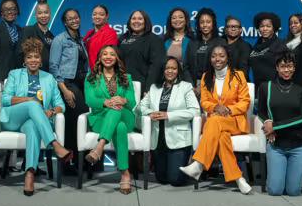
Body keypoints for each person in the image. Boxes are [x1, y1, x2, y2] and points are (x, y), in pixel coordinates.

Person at [0, 38, 73, 196]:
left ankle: (30, 174)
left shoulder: (49, 78)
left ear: (41, 60)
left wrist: (52, 111)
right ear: (24, 60)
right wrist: (28, 100)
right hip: (14, 117)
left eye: (36, 57)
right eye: (29, 57)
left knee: (33, 128)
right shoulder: (15, 74)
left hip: (34, 120)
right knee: (33, 105)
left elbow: (61, 105)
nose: (33, 60)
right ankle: (55, 145)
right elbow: (5, 100)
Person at [179, 44, 252, 195]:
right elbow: (204, 101)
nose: (217, 59)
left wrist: (228, 109)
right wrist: (215, 108)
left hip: (234, 121)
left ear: (227, 58)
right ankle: (239, 179)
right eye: (214, 56)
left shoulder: (239, 75)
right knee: (222, 138)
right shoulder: (207, 76)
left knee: (212, 121)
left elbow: (245, 102)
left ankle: (198, 163)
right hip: (218, 123)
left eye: (221, 55)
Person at [83, 45, 137, 194]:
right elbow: (90, 100)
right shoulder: (91, 78)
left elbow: (133, 102)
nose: (108, 57)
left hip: (125, 115)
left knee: (117, 111)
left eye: (112, 54)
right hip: (100, 118)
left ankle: (99, 147)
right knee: (119, 127)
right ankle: (125, 173)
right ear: (99, 58)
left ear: (117, 58)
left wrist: (123, 99)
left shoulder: (127, 77)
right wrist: (105, 102)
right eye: (104, 54)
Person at [139, 57, 199, 186]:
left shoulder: (185, 87)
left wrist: (169, 115)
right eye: (167, 68)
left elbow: (194, 111)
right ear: (162, 70)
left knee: (175, 180)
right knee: (161, 179)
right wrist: (150, 113)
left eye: (174, 68)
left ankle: (191, 168)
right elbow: (141, 107)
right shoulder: (154, 88)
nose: (170, 71)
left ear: (178, 71)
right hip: (158, 138)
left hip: (179, 139)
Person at [259, 52, 302, 196]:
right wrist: (266, 121)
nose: (286, 70)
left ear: (294, 68)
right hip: (277, 146)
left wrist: (274, 126)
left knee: (293, 191)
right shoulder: (266, 87)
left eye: (290, 66)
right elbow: (261, 111)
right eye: (283, 66)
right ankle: (276, 179)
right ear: (277, 67)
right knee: (275, 190)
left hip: (300, 146)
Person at [49, 8, 90, 173]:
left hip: (81, 85)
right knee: (75, 120)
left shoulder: (80, 40)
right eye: (70, 19)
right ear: (65, 22)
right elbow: (53, 66)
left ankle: (79, 162)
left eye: (76, 17)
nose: (74, 20)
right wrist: (64, 90)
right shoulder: (60, 39)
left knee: (78, 121)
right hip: (67, 84)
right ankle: (68, 162)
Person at [118, 10, 165, 95]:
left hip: (143, 86)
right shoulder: (122, 38)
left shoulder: (154, 40)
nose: (136, 21)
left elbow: (156, 66)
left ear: (145, 21)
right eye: (133, 18)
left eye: (140, 19)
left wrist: (149, 88)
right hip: (122, 85)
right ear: (129, 21)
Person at [0, 0, 25, 97]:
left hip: (17, 79)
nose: (10, 12)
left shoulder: (21, 31)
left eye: (13, 9)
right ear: (2, 13)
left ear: (17, 11)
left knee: (16, 111)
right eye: (6, 10)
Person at [183, 7, 225, 91]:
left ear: (213, 24)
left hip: (214, 84)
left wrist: (204, 86)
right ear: (198, 25)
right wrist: (191, 86)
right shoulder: (192, 43)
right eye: (202, 22)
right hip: (193, 86)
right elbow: (186, 67)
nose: (205, 25)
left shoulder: (221, 42)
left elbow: (223, 66)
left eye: (208, 22)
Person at [248, 12, 287, 86]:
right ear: (258, 28)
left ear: (273, 28)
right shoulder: (256, 46)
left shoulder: (280, 45)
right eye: (262, 26)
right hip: (258, 87)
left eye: (268, 26)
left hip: (274, 88)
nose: (264, 29)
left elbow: (284, 70)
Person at [21, 0, 54, 71]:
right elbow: (20, 55)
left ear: (50, 14)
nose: (43, 15)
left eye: (46, 12)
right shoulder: (28, 30)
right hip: (28, 75)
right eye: (40, 13)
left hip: (46, 76)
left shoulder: (52, 36)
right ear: (35, 15)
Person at [83, 4, 118, 70]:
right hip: (88, 72)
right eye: (94, 14)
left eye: (101, 14)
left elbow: (108, 57)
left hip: (100, 72)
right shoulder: (89, 33)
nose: (97, 16)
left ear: (107, 16)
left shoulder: (110, 33)